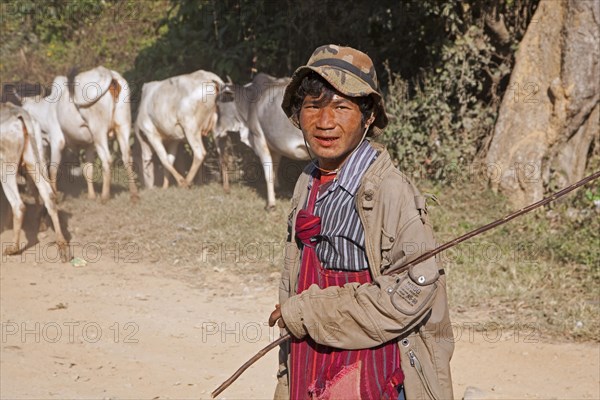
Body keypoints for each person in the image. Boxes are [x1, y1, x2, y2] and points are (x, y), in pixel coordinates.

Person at [268, 44, 454, 400]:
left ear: (368, 116)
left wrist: (308, 311)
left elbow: (409, 296)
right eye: (312, 106)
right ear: (298, 113)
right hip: (311, 365)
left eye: (341, 107)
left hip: (371, 373)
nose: (325, 122)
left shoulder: (390, 191)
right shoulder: (307, 181)